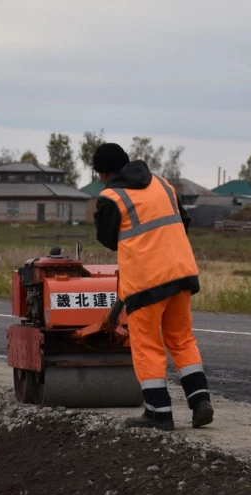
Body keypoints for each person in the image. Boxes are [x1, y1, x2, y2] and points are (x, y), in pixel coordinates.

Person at [92, 142, 214, 431]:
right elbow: (182, 222)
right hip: (181, 273)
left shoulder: (111, 197)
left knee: (147, 345)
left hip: (146, 283)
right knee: (182, 340)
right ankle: (200, 403)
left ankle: (158, 413)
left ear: (103, 174)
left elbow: (108, 239)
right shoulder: (162, 184)